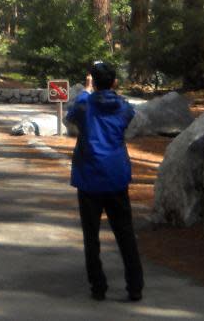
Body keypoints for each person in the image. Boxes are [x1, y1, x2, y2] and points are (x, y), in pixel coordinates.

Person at [67, 61, 143, 303]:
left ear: (92, 81)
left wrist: (87, 91)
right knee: (125, 234)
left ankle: (98, 287)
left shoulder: (84, 104)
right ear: (115, 82)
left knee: (91, 237)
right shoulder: (123, 108)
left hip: (89, 178)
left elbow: (72, 117)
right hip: (116, 176)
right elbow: (127, 115)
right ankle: (135, 287)